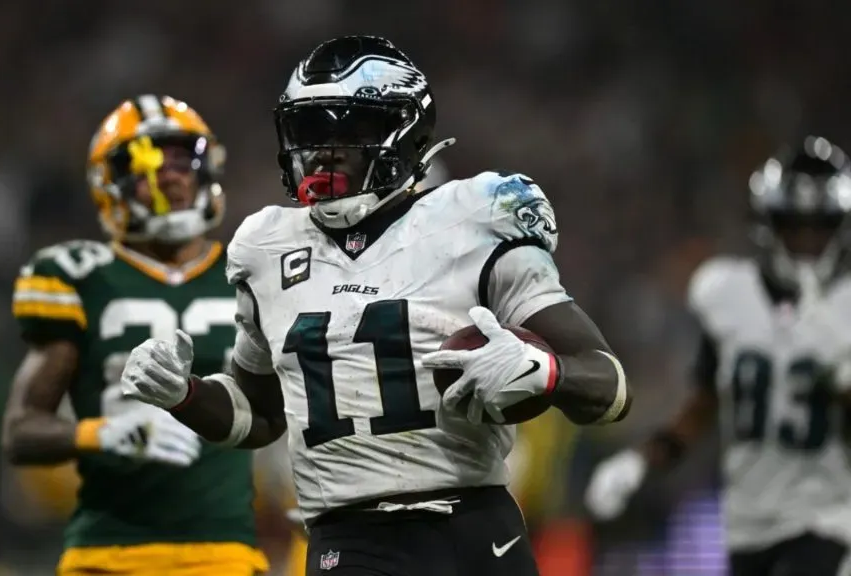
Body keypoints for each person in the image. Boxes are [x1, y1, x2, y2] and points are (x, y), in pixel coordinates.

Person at [122, 36, 631, 576]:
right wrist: (185, 393)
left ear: (405, 130)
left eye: (349, 130)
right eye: (310, 131)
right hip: (348, 543)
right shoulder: (265, 249)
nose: (323, 151)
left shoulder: (476, 219)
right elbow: (260, 415)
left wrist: (544, 372)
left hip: (475, 534)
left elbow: (610, 386)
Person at [1, 95, 268, 576]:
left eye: (182, 159)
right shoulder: (79, 276)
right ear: (110, 184)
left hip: (222, 552)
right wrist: (104, 433)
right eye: (145, 164)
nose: (170, 176)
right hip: (106, 554)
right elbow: (20, 432)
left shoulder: (250, 271)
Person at [585, 136, 851, 575]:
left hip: (826, 520)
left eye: (819, 228)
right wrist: (640, 460)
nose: (807, 241)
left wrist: (840, 374)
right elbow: (704, 405)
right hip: (746, 524)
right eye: (795, 227)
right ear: (770, 225)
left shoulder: (845, 308)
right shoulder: (728, 294)